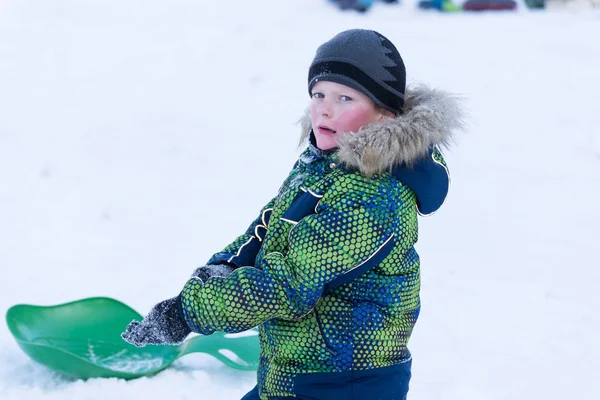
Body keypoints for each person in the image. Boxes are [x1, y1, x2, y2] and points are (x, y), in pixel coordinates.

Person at [122, 29, 464, 400]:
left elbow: (289, 283)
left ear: (384, 114)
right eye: (318, 94)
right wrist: (219, 271)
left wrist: (189, 314)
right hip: (295, 371)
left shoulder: (373, 197)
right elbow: (266, 230)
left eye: (344, 97)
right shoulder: (323, 165)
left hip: (346, 382)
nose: (325, 109)